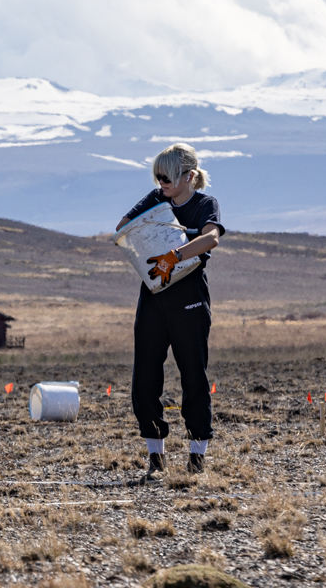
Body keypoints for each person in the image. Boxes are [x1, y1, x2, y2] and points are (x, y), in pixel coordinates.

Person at [115, 143, 225, 477]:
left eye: (167, 177)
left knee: (194, 375)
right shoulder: (156, 197)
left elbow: (212, 239)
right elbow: (123, 226)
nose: (161, 182)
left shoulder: (206, 203)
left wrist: (173, 255)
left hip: (189, 295)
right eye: (157, 176)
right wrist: (154, 221)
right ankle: (155, 457)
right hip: (153, 295)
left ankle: (196, 456)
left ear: (189, 176)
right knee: (144, 378)